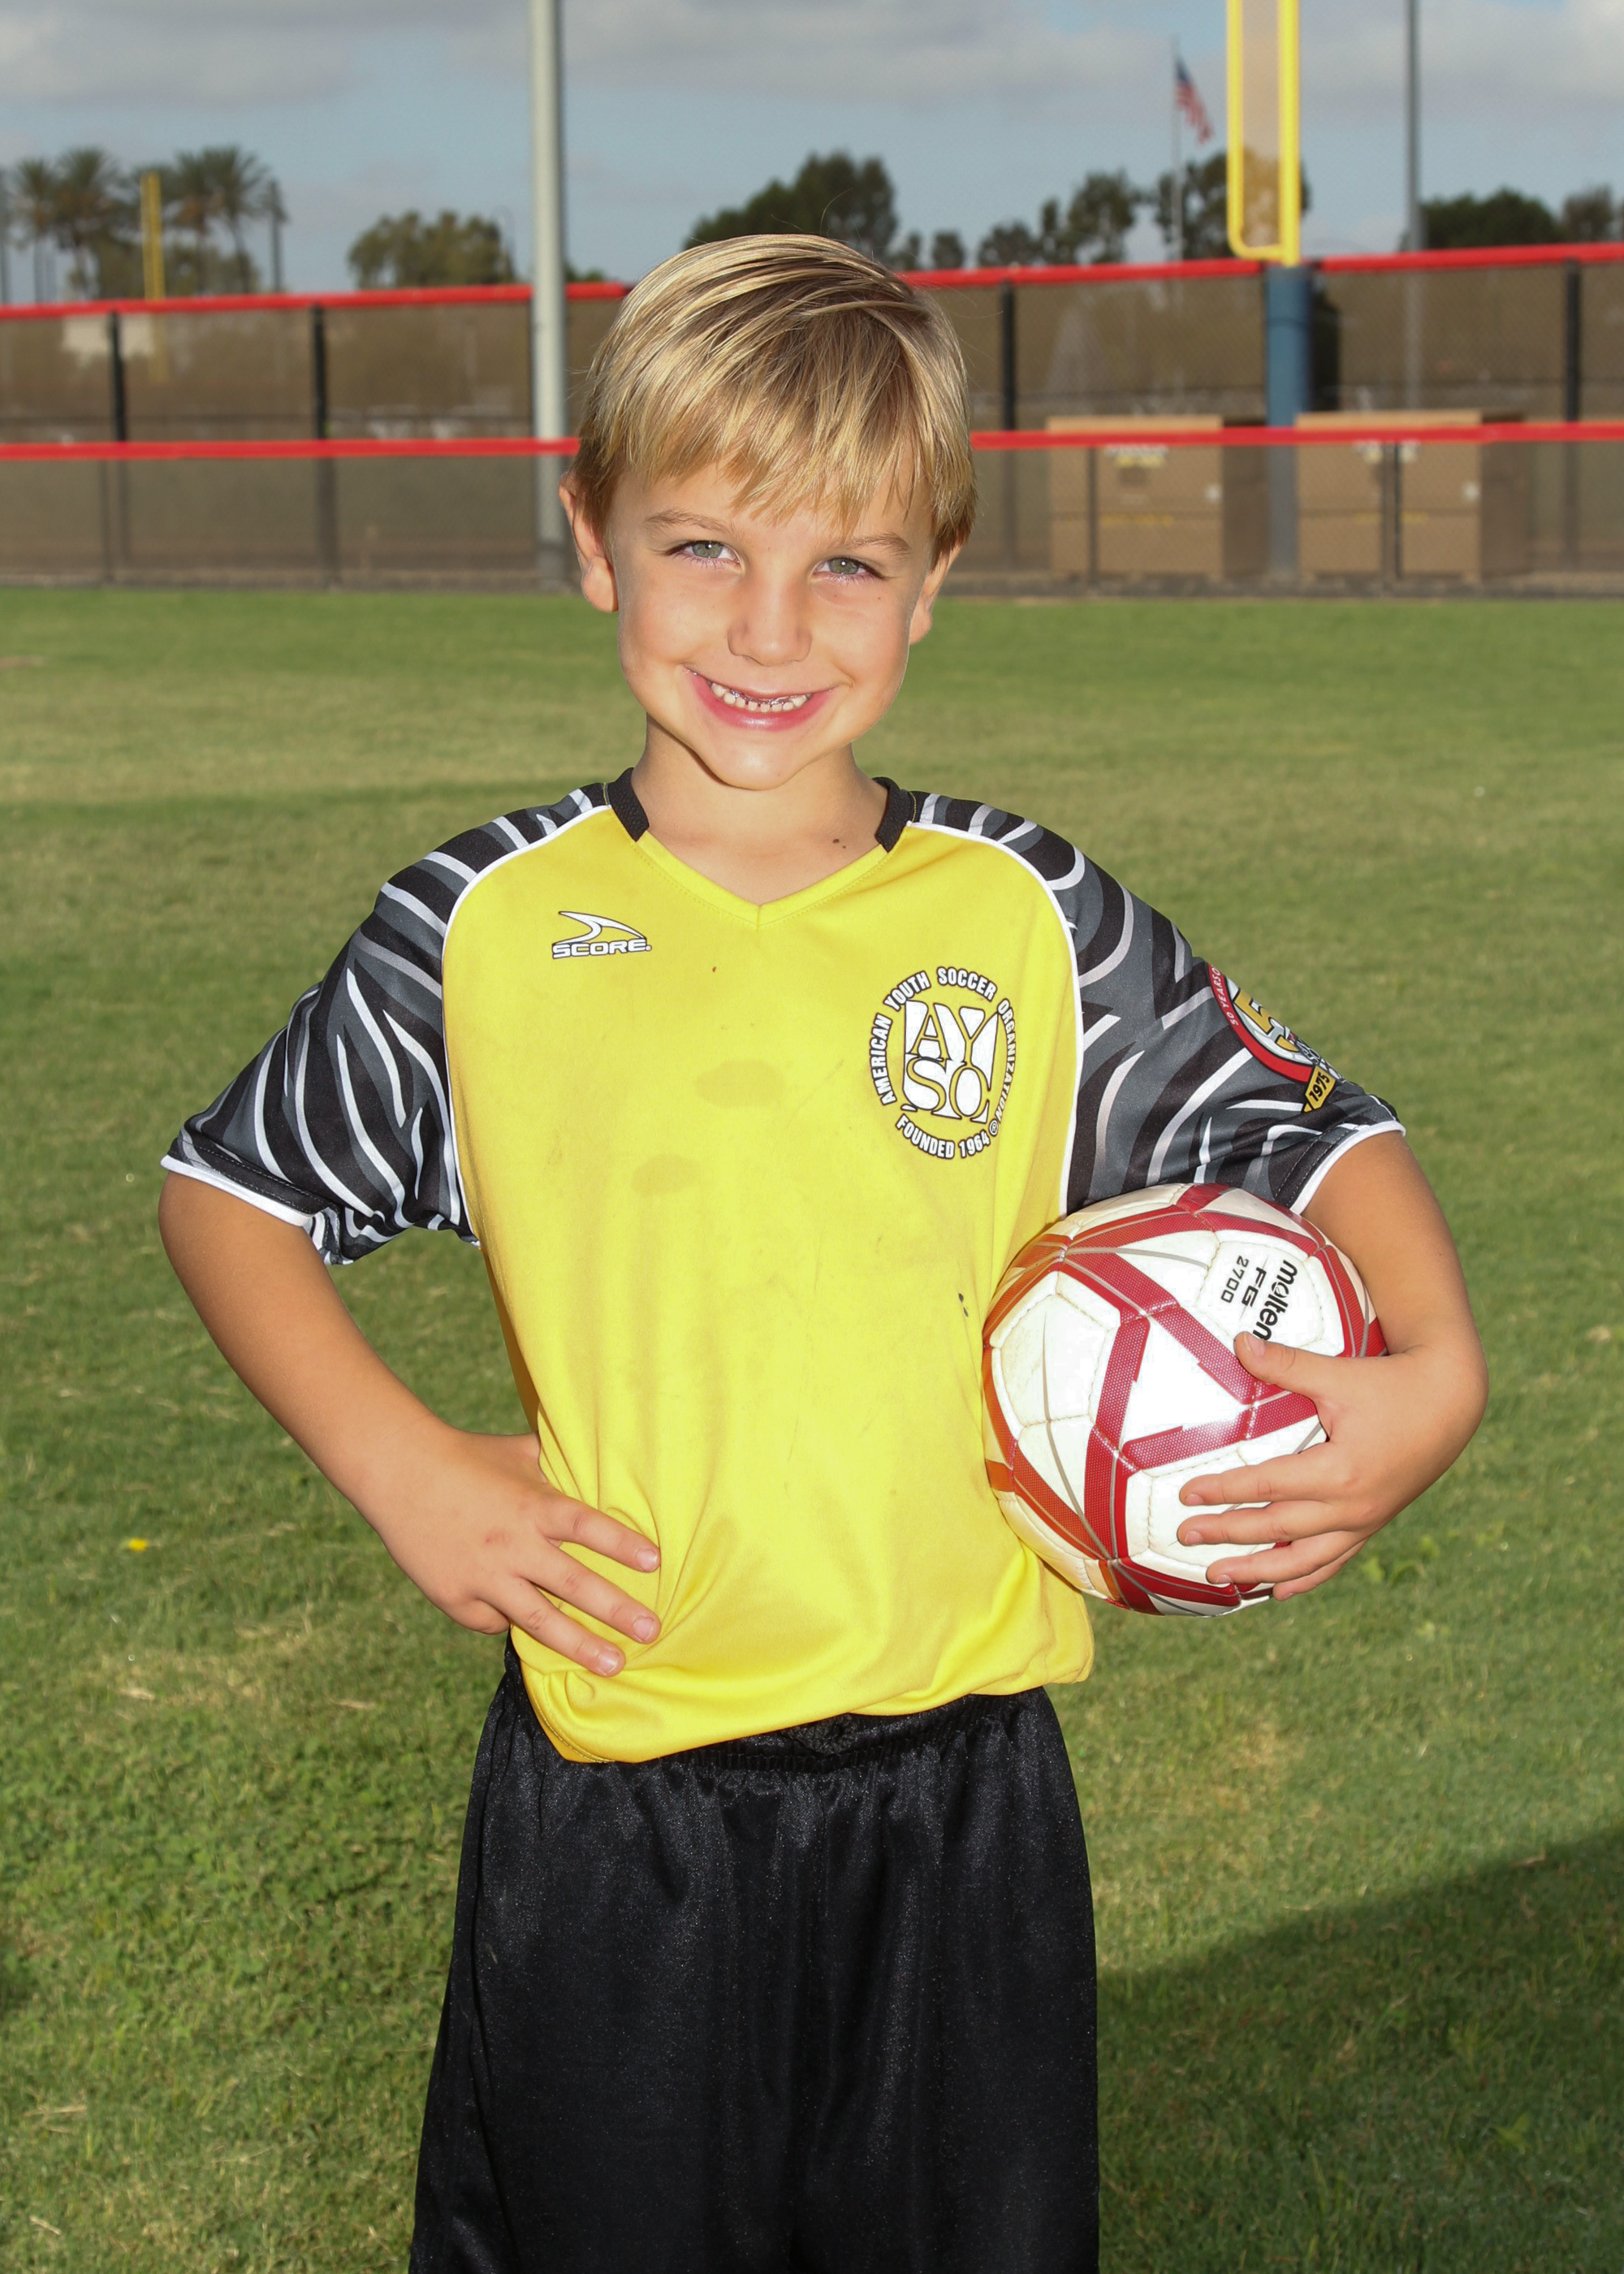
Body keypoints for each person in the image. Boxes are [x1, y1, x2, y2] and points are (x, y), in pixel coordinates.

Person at [158, 236, 1488, 2274]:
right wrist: (403, 1464)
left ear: (932, 579)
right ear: (591, 539)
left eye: (845, 563)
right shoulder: (483, 925)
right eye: (703, 546)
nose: (769, 626)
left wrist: (1438, 1369)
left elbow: (1305, 1124)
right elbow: (233, 1189)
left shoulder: (1022, 912)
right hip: (619, 1802)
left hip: (966, 1801)